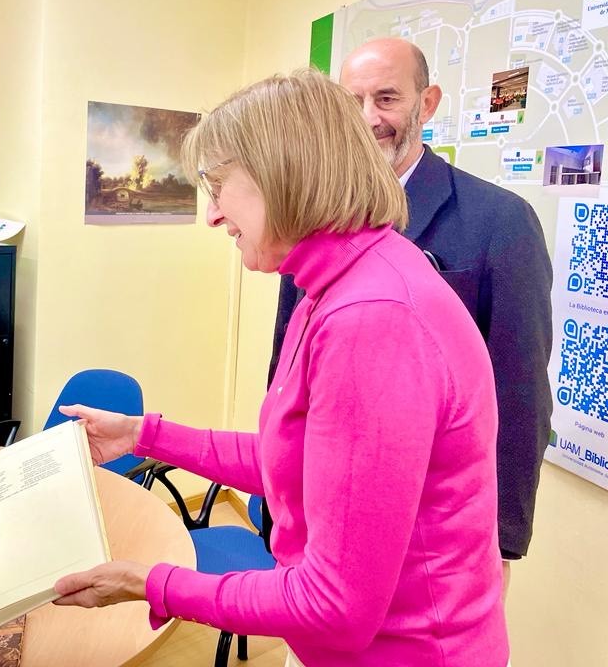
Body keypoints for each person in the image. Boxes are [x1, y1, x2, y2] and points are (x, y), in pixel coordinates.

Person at [53, 71, 509, 666]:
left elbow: (334, 607)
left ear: (282, 177)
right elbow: (293, 462)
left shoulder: (371, 319)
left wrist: (152, 584)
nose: (213, 215)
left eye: (220, 188)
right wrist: (143, 436)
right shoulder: (336, 283)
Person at [269, 38, 553, 593]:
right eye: (352, 103)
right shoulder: (312, 218)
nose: (368, 119)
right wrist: (276, 500)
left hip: (437, 544)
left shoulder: (500, 223)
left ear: (427, 104)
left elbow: (520, 398)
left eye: (387, 99)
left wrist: (498, 542)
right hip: (324, 523)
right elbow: (286, 364)